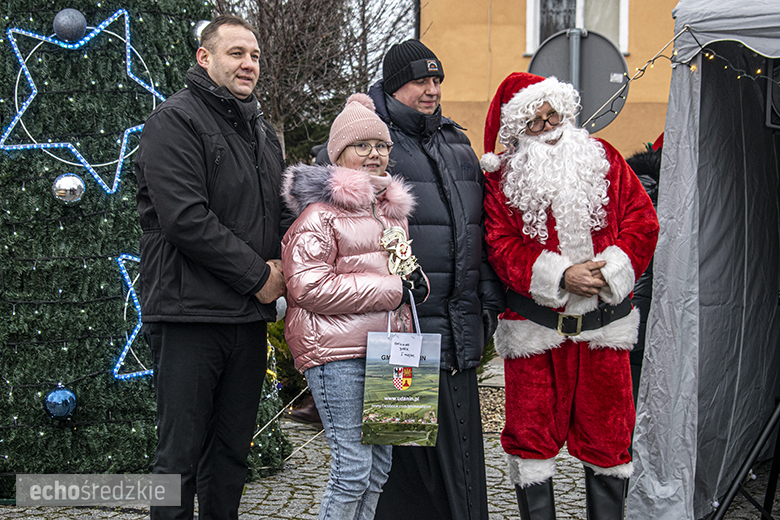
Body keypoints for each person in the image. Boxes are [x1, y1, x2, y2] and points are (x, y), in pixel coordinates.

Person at [480, 72, 659, 520]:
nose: (549, 127)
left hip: (605, 331)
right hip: (535, 334)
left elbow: (643, 221)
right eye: (536, 122)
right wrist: (561, 275)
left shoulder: (606, 159)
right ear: (519, 130)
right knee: (531, 444)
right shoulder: (502, 180)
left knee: (611, 441)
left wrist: (611, 269)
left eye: (552, 115)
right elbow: (500, 245)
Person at [134, 15, 289, 520]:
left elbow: (281, 215)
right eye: (236, 53)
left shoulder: (263, 133)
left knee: (229, 458)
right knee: (178, 459)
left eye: (255, 56)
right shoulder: (173, 121)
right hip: (188, 316)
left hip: (244, 320)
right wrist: (260, 277)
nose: (249, 64)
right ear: (205, 57)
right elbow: (184, 218)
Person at [369, 40, 506, 520]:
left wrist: (489, 304)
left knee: (463, 464)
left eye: (437, 80)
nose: (432, 90)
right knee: (403, 473)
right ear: (393, 86)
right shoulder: (372, 145)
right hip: (400, 334)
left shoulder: (456, 143)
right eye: (420, 81)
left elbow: (481, 229)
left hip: (460, 323)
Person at [282, 93, 429, 520]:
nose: (374, 154)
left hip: (391, 353)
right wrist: (392, 289)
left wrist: (415, 284)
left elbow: (398, 275)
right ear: (338, 154)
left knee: (379, 468)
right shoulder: (319, 216)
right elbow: (307, 286)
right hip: (338, 354)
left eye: (381, 145)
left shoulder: (390, 213)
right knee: (352, 468)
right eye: (361, 146)